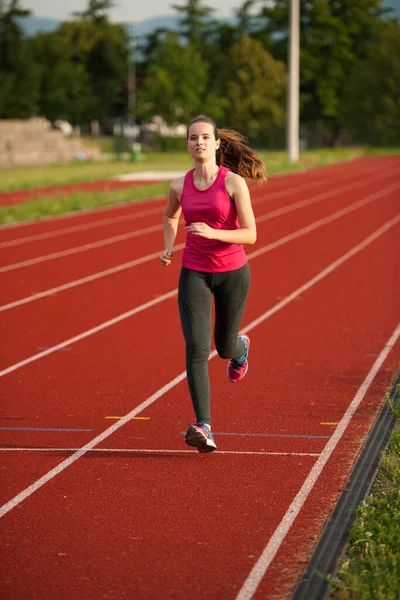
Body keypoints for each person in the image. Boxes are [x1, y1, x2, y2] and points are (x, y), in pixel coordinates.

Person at [160, 115, 267, 453]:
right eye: (193, 138)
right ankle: (203, 425)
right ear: (188, 144)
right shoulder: (179, 185)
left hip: (233, 273)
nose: (199, 143)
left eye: (206, 137)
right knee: (196, 347)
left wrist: (213, 232)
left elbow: (250, 234)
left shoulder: (233, 183)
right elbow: (170, 215)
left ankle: (241, 348)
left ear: (217, 143)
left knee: (223, 347)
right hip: (194, 272)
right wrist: (168, 244)